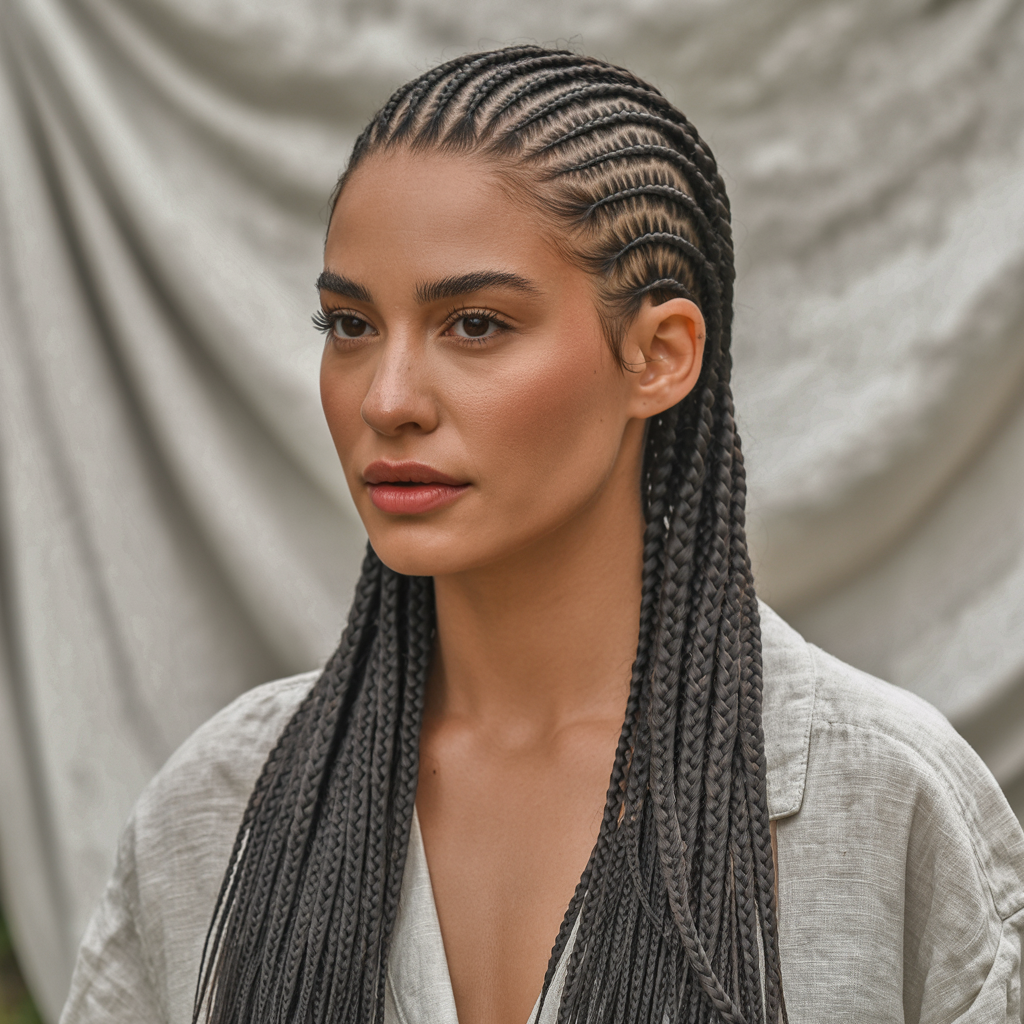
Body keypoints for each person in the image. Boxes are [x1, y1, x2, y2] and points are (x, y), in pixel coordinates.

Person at [60, 46, 1024, 1024]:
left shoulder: (880, 804)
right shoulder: (221, 808)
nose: (386, 400)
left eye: (473, 324)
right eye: (349, 325)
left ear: (657, 355)